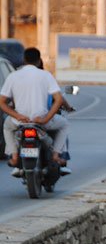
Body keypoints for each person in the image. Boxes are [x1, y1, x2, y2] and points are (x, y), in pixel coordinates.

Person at [0, 47, 71, 176]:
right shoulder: (46, 75)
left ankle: (14, 156)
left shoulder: (13, 76)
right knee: (64, 124)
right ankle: (56, 155)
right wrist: (45, 119)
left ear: (24, 60)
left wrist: (17, 115)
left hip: (19, 121)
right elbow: (59, 99)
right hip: (41, 120)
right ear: (39, 60)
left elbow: (2, 102)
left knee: (7, 126)